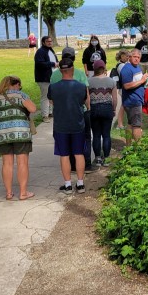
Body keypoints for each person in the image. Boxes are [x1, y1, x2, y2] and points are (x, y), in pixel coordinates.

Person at [0, 75, 37, 201]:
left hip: (2, 133)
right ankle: (23, 193)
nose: (20, 88)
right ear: (16, 84)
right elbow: (33, 108)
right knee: (22, 162)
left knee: (7, 163)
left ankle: (9, 193)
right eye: (20, 85)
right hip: (20, 132)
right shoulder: (21, 95)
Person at [48, 57, 90, 194]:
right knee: (79, 153)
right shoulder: (81, 86)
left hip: (61, 125)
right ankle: (80, 183)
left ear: (60, 70)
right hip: (77, 123)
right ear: (72, 69)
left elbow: (52, 101)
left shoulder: (53, 87)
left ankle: (67, 185)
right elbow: (84, 102)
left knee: (64, 155)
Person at [51, 46, 94, 173]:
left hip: (61, 114)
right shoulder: (80, 73)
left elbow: (52, 97)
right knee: (85, 138)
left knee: (64, 142)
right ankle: (86, 164)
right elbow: (86, 95)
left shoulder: (54, 75)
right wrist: (88, 108)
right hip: (79, 112)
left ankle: (71, 165)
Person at [88, 59, 117, 166]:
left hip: (94, 109)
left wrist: (88, 108)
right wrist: (113, 109)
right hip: (107, 108)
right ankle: (107, 158)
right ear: (104, 68)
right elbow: (115, 98)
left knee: (96, 135)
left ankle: (98, 158)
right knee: (106, 135)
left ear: (94, 69)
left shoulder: (89, 81)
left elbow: (86, 98)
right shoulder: (111, 81)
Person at [120, 49, 148, 143]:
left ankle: (128, 147)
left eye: (138, 57)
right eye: (135, 57)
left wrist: (145, 82)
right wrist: (141, 81)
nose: (137, 59)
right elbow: (127, 85)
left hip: (136, 99)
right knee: (137, 126)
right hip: (133, 101)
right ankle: (139, 148)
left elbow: (137, 82)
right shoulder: (127, 69)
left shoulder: (137, 67)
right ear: (129, 57)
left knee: (130, 124)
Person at [34, 35, 58, 121]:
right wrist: (53, 64)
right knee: (45, 97)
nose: (50, 43)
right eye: (48, 41)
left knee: (52, 96)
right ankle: (45, 116)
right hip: (44, 78)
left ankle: (51, 112)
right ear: (43, 42)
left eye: (51, 41)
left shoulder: (51, 50)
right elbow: (39, 64)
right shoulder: (40, 52)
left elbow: (55, 61)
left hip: (53, 77)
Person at [111, 49, 130, 129]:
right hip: (123, 88)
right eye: (127, 56)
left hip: (123, 88)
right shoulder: (121, 66)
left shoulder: (122, 64)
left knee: (124, 105)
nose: (128, 58)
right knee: (123, 105)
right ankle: (120, 123)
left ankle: (120, 123)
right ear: (122, 56)